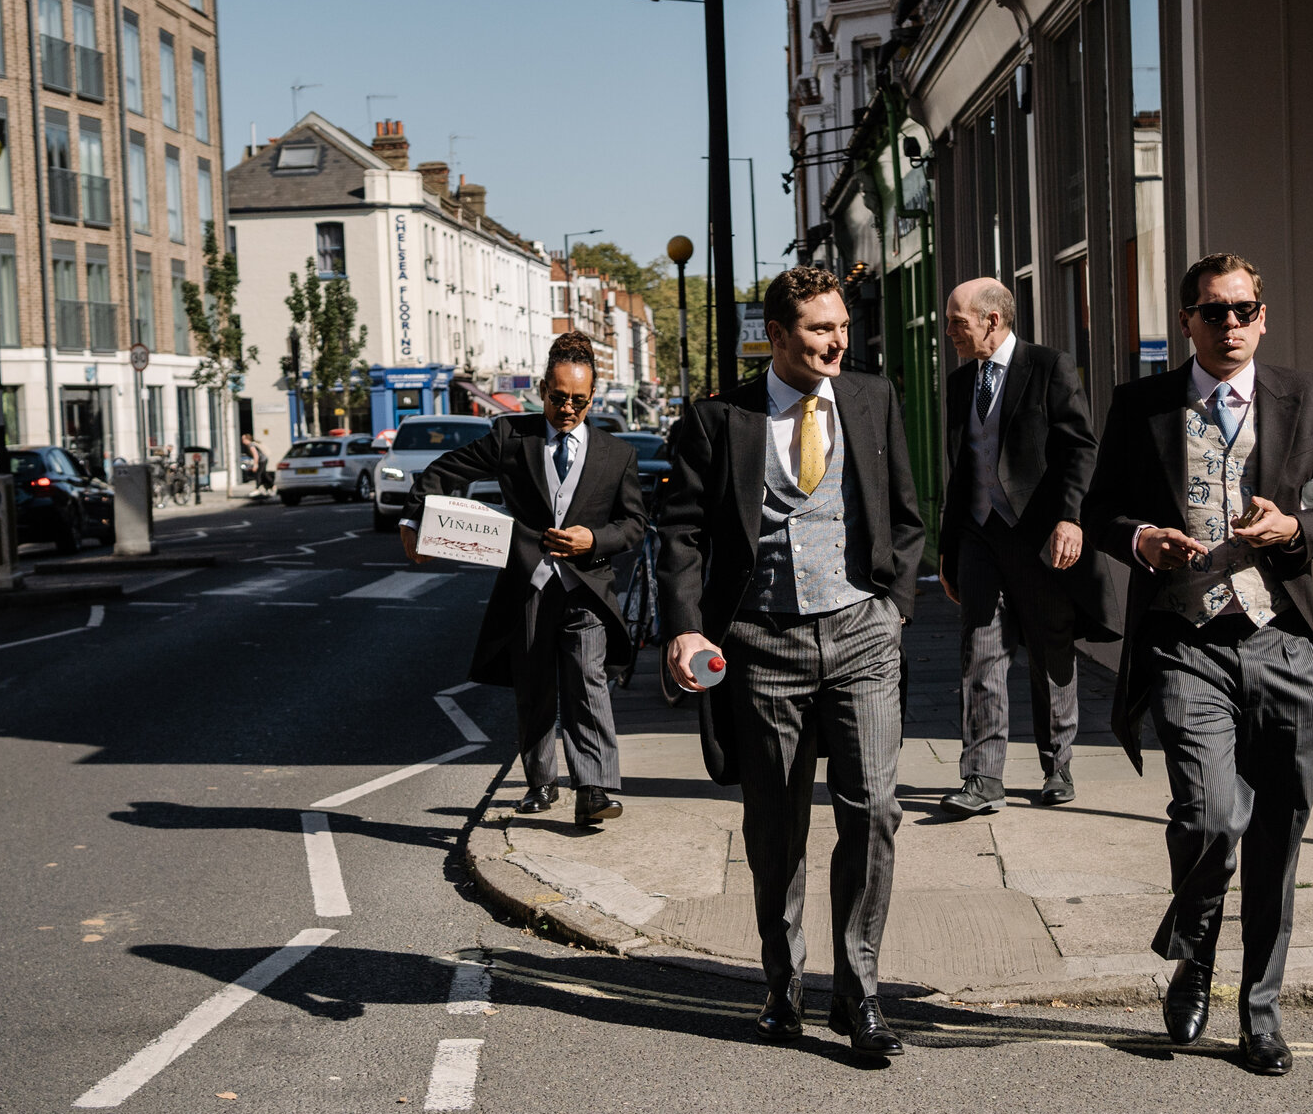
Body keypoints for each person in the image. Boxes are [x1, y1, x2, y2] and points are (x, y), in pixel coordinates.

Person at [1087, 252, 1313, 1076]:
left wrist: (1296, 531)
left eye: (1244, 309)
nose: (1231, 325)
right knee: (1211, 817)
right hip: (1185, 641)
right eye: (1213, 312)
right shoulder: (1141, 405)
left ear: (1264, 314)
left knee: (1278, 841)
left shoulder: (1306, 394)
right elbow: (1100, 510)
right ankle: (1195, 951)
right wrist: (1141, 539)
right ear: (1186, 320)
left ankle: (1260, 1010)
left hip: (1281, 641)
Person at [659, 266, 926, 1057]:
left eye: (841, 325)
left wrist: (896, 607)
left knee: (874, 809)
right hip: (763, 645)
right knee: (776, 831)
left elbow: (905, 514)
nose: (838, 340)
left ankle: (861, 989)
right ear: (775, 335)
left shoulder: (872, 399)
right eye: (819, 328)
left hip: (862, 634)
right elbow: (680, 533)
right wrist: (685, 627)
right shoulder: (717, 419)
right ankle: (783, 985)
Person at [402, 333, 646, 826]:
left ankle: (594, 788)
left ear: (593, 397)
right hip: (529, 588)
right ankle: (540, 782)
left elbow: (633, 526)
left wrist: (593, 541)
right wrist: (414, 520)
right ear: (541, 389)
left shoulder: (616, 455)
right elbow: (445, 470)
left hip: (587, 591)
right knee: (533, 687)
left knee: (587, 683)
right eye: (558, 398)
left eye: (579, 400)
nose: (568, 408)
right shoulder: (511, 437)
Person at [935, 277, 1103, 816]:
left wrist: (1070, 519)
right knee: (979, 654)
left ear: (992, 320)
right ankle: (983, 778)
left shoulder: (1049, 367)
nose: (949, 333)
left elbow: (1080, 449)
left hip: (1039, 535)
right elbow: (960, 473)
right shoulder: (962, 384)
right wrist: (947, 550)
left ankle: (1057, 764)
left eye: (957, 322)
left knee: (1050, 647)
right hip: (980, 537)